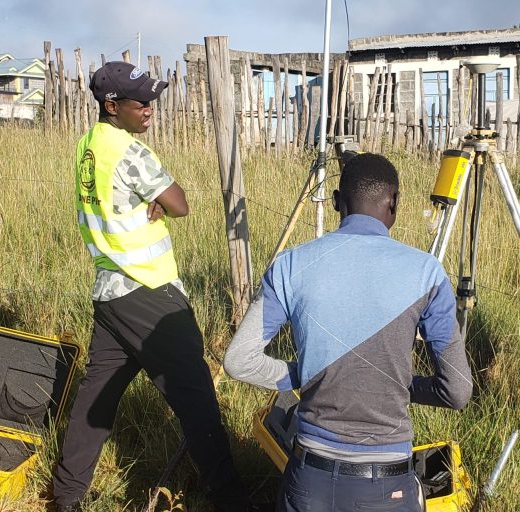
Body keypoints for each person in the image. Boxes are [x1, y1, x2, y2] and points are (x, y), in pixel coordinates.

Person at [53, 61, 253, 512]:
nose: (149, 109)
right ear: (112, 105)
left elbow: (122, 203)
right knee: (195, 394)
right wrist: (159, 202)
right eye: (139, 102)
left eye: (151, 100)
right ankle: (230, 498)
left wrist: (151, 202)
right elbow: (179, 203)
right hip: (149, 294)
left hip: (109, 292)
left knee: (96, 399)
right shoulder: (130, 152)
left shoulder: (88, 146)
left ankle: (66, 496)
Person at [223, 153, 474, 512]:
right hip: (388, 486)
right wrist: (403, 384)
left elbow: (238, 361)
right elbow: (458, 391)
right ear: (395, 203)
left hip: (310, 479)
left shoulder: (291, 265)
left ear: (338, 201)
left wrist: (303, 373)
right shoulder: (427, 274)